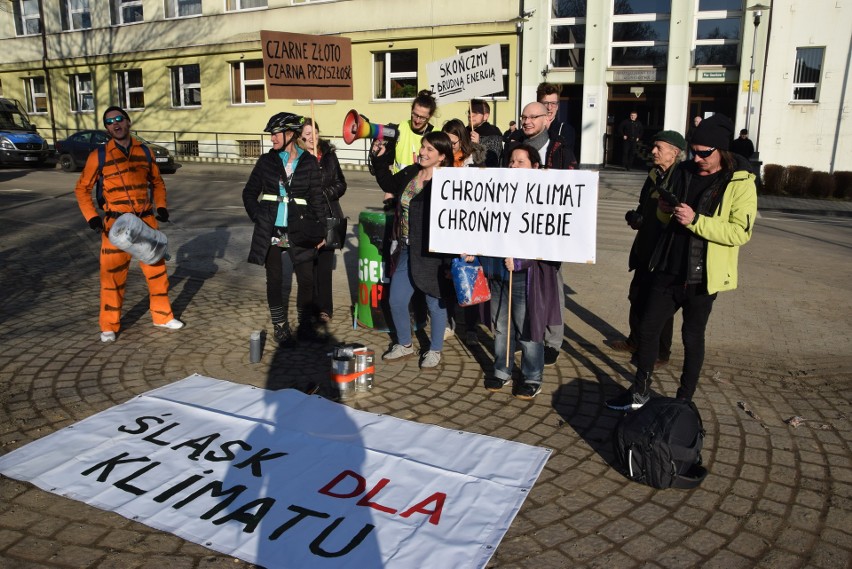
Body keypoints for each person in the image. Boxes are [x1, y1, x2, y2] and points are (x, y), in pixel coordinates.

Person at [607, 114, 757, 411]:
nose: (698, 158)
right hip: (668, 267)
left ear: (721, 151)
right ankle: (640, 392)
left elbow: (740, 232)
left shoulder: (740, 182)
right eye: (695, 151)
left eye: (705, 153)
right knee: (648, 329)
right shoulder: (683, 171)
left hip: (703, 275)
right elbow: (665, 218)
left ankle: (684, 400)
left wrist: (696, 221)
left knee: (692, 337)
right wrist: (664, 210)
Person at [74, 106, 183, 343]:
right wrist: (92, 217)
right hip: (114, 225)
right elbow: (82, 188)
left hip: (145, 221)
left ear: (128, 122)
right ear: (107, 128)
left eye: (119, 119)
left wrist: (161, 206)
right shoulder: (99, 156)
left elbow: (157, 182)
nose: (115, 124)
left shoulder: (145, 152)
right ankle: (109, 325)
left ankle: (162, 316)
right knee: (112, 276)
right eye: (110, 122)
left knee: (157, 271)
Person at [472, 144, 561, 400]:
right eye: (511, 161)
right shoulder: (498, 192)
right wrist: (473, 250)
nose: (513, 165)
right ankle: (502, 370)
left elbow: (550, 240)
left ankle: (533, 376)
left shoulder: (546, 197)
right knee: (501, 325)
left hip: (525, 276)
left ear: (535, 166)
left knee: (527, 328)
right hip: (498, 271)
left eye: (520, 161)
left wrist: (522, 261)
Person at [370, 132, 454, 370]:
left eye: (429, 149)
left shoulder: (448, 181)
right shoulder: (410, 173)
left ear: (441, 156)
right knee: (396, 299)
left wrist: (449, 260)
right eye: (423, 147)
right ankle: (405, 344)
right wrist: (379, 159)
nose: (423, 152)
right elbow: (387, 183)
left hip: (433, 253)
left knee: (435, 302)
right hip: (406, 247)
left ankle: (435, 349)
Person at [242, 112, 326, 345]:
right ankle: (280, 326)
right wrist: (259, 217)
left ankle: (304, 326)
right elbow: (249, 193)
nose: (271, 139)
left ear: (290, 134)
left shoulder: (308, 161)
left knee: (307, 279)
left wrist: (322, 231)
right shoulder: (266, 161)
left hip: (301, 228)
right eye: (271, 135)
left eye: (275, 134)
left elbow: (317, 198)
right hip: (271, 230)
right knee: (275, 279)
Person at [502, 101, 575, 366]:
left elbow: (572, 186)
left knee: (551, 286)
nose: (527, 121)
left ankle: (553, 341)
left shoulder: (559, 148)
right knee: (523, 285)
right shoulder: (513, 145)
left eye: (533, 117)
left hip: (547, 229)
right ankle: (529, 335)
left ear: (547, 118)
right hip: (517, 225)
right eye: (524, 117)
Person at [612, 130, 687, 367]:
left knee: (660, 305)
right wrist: (636, 217)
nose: (653, 151)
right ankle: (635, 340)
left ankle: (661, 353)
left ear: (674, 152)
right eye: (654, 146)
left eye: (659, 148)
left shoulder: (681, 177)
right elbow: (644, 204)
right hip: (645, 245)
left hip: (664, 251)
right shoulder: (654, 174)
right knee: (637, 295)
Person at [300, 118, 347, 324]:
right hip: (307, 219)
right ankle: (310, 308)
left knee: (325, 268)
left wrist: (325, 192)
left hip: (329, 216)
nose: (312, 137)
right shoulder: (298, 157)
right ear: (300, 137)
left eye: (315, 132)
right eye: (307, 134)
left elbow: (341, 184)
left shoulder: (328, 156)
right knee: (308, 268)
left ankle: (325, 309)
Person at [537, 82, 576, 157]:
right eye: (545, 103)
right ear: (538, 104)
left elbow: (566, 158)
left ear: (557, 106)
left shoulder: (565, 130)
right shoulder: (531, 128)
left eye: (553, 103)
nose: (549, 108)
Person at [466, 99, 503, 167]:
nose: (470, 115)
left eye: (475, 112)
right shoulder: (464, 132)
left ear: (485, 116)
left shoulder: (493, 133)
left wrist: (478, 145)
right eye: (469, 112)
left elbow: (491, 163)